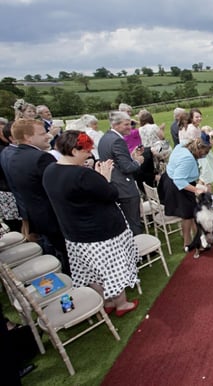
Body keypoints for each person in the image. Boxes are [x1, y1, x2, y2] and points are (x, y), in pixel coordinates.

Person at [42, 131, 139, 316]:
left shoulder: (50, 171)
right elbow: (111, 194)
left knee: (91, 271)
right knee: (112, 270)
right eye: (86, 151)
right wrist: (105, 178)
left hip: (75, 234)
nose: (89, 155)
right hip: (102, 233)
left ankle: (107, 301)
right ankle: (122, 304)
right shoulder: (82, 175)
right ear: (73, 150)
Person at [3, 119, 69, 272]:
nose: (48, 136)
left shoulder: (14, 156)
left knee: (57, 252)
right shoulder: (42, 158)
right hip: (55, 217)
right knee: (68, 256)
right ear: (28, 137)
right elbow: (60, 188)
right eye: (42, 134)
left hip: (38, 216)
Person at [158, 136, 211, 251]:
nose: (205, 155)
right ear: (199, 150)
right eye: (205, 152)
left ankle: (197, 240)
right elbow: (179, 180)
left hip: (171, 178)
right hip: (177, 186)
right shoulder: (188, 159)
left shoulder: (183, 145)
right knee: (187, 215)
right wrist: (197, 190)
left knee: (191, 213)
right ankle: (188, 243)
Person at [98, 111, 144, 235]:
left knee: (126, 222)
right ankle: (141, 251)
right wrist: (138, 161)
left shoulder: (105, 138)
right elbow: (127, 167)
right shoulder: (118, 140)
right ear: (116, 125)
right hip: (125, 188)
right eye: (126, 124)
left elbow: (118, 161)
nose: (130, 127)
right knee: (133, 222)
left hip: (114, 184)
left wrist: (131, 156)